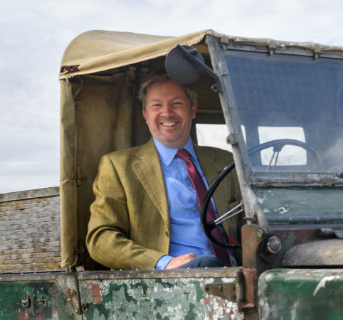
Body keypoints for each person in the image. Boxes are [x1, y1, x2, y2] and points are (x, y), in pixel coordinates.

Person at [86, 74, 241, 270]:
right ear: (145, 114)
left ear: (192, 109)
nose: (167, 113)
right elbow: (100, 239)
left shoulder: (227, 161)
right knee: (206, 264)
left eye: (176, 104)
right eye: (157, 105)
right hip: (176, 282)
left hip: (239, 274)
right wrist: (164, 263)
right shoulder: (118, 166)